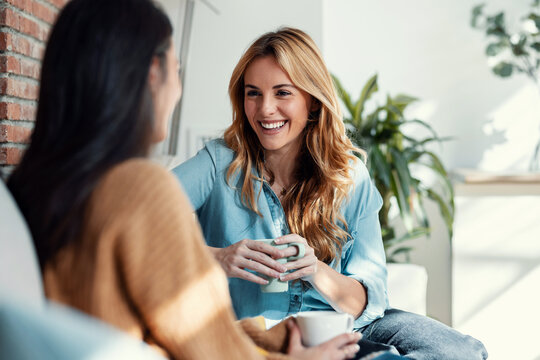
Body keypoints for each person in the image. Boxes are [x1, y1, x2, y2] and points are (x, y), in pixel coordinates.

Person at [7, 2, 364, 359]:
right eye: (177, 69)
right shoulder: (141, 188)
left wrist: (269, 336)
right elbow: (209, 347)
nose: (177, 88)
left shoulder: (36, 189)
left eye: (282, 92)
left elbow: (162, 327)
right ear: (153, 72)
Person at [173, 27, 488, 360]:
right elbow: (136, 222)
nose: (265, 109)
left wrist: (314, 270)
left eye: (282, 93)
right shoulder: (220, 162)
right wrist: (217, 258)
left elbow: (366, 302)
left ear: (311, 100)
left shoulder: (349, 176)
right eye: (254, 93)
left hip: (340, 326)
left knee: (461, 352)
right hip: (259, 332)